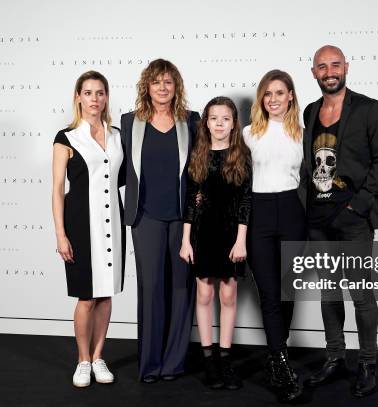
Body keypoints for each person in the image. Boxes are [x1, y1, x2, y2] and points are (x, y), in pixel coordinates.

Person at [300, 45, 378, 397]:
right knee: (328, 292)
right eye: (322, 66)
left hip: (354, 220)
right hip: (318, 220)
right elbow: (309, 165)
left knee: (360, 293)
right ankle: (334, 358)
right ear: (313, 72)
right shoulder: (310, 111)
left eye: (335, 65)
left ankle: (367, 363)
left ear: (346, 68)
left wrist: (358, 206)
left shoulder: (370, 109)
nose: (329, 71)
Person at [120, 59, 200, 383]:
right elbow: (114, 169)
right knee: (151, 290)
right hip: (145, 217)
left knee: (182, 289)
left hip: (184, 220)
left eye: (168, 82)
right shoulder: (129, 123)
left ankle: (174, 363)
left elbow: (203, 168)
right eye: (156, 82)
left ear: (176, 86)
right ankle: (150, 364)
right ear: (147, 87)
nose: (163, 88)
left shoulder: (191, 122)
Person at [52, 70, 124, 388]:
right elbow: (56, 189)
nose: (95, 98)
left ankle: (98, 357)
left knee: (106, 296)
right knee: (87, 298)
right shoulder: (66, 138)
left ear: (106, 97)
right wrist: (60, 234)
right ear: (78, 96)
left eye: (100, 92)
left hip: (114, 224)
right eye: (88, 92)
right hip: (81, 225)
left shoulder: (118, 135)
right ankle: (83, 360)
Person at [179, 96, 251, 390]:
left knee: (228, 297)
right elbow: (191, 203)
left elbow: (246, 200)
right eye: (213, 118)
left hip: (231, 235)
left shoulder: (241, 156)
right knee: (205, 296)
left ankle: (225, 359)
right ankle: (208, 359)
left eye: (225, 118)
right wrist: (186, 240)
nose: (219, 123)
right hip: (203, 234)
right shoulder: (198, 155)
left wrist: (241, 240)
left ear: (234, 124)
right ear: (205, 122)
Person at [243, 70, 306, 403]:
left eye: (280, 93)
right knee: (269, 293)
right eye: (268, 94)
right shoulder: (248, 134)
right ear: (261, 99)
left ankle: (276, 356)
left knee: (287, 292)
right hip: (260, 214)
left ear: (291, 96)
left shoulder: (304, 134)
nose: (274, 99)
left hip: (293, 211)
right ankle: (282, 366)